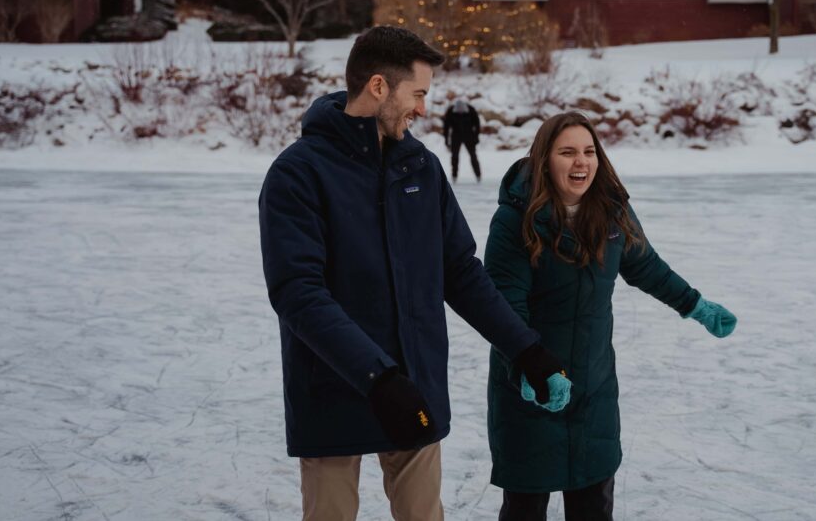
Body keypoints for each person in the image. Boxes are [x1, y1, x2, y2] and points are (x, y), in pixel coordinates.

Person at [258, 26, 570, 521]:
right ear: (379, 86)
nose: (424, 109)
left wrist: (526, 350)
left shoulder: (420, 167)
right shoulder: (299, 173)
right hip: (335, 390)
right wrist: (378, 378)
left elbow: (460, 272)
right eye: (418, 93)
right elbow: (299, 294)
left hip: (415, 387)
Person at [483, 111, 738, 521]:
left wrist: (694, 305)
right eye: (567, 152)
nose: (581, 162)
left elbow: (646, 266)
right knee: (525, 507)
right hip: (530, 387)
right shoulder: (516, 220)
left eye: (589, 151)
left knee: (593, 505)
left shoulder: (611, 212)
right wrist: (525, 370)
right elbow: (503, 306)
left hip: (593, 387)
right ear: (544, 159)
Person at [443, 97, 482, 182]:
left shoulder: (471, 110)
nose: (460, 113)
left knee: (473, 155)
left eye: (462, 112)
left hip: (469, 135)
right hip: (456, 135)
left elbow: (477, 124)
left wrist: (476, 137)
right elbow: (446, 127)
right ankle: (454, 176)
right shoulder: (451, 111)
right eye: (458, 112)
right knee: (454, 156)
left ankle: (478, 175)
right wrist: (446, 140)